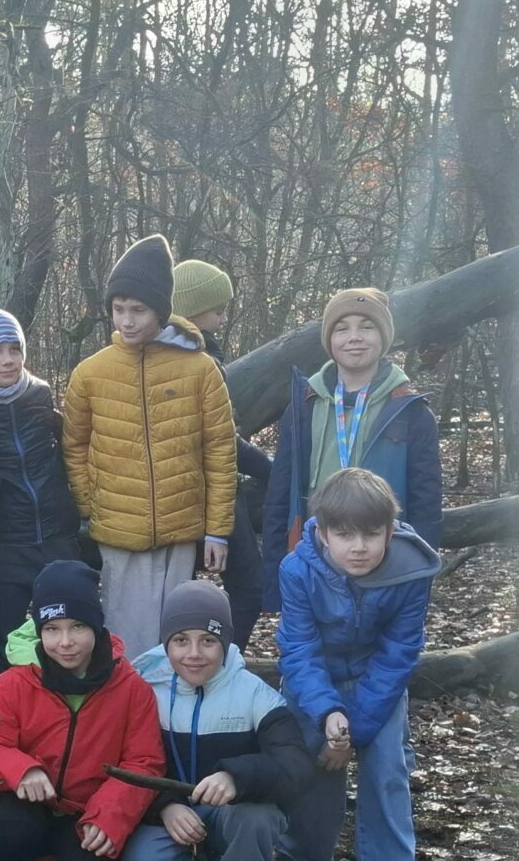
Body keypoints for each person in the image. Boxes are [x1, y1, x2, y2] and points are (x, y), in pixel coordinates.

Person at [273, 469, 440, 861]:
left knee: (387, 776)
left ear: (391, 529)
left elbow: (399, 654)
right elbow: (299, 650)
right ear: (322, 532)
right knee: (309, 762)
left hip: (378, 684)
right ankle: (304, 852)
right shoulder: (297, 570)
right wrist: (327, 714)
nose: (359, 547)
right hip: (314, 681)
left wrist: (356, 729)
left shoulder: (412, 572)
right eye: (344, 534)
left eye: (371, 533)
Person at [0, 561, 163, 861]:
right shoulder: (13, 682)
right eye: (52, 630)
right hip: (28, 802)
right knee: (10, 824)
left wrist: (109, 815)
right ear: (39, 631)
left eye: (78, 627)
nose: (65, 642)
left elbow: (144, 763)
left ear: (98, 628)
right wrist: (21, 769)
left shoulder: (131, 689)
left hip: (87, 808)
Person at [62, 235, 237, 659]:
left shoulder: (200, 370)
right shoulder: (90, 373)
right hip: (118, 533)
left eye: (138, 310)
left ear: (161, 310)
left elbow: (220, 451)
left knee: (177, 636)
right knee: (125, 643)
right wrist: (93, 506)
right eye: (118, 309)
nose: (127, 320)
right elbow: (75, 446)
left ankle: (171, 722)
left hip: (181, 530)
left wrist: (218, 530)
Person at [119, 582, 312, 861]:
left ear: (225, 642)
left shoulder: (255, 694)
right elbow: (123, 762)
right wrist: (166, 806)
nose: (194, 654)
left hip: (231, 818)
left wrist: (236, 776)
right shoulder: (142, 690)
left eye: (208, 640)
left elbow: (295, 765)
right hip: (171, 818)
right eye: (181, 641)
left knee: (256, 818)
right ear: (166, 644)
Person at [262, 287, 442, 611]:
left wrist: (420, 573)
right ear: (329, 340)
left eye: (367, 326)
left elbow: (426, 501)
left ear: (384, 337)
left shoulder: (410, 410)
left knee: (380, 650)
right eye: (342, 328)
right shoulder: (304, 405)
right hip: (315, 559)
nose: (354, 337)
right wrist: (275, 574)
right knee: (315, 648)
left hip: (387, 561)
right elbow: (280, 494)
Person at [0, 307, 83, 664]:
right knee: (5, 639)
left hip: (58, 535)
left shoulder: (40, 395)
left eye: (14, 349)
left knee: (69, 633)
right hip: (4, 544)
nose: (8, 360)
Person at [170, 262, 271, 648]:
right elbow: (219, 440)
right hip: (210, 491)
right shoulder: (201, 361)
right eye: (217, 307)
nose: (223, 315)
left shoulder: (184, 353)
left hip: (184, 490)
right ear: (193, 309)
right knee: (248, 585)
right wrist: (269, 469)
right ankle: (224, 663)